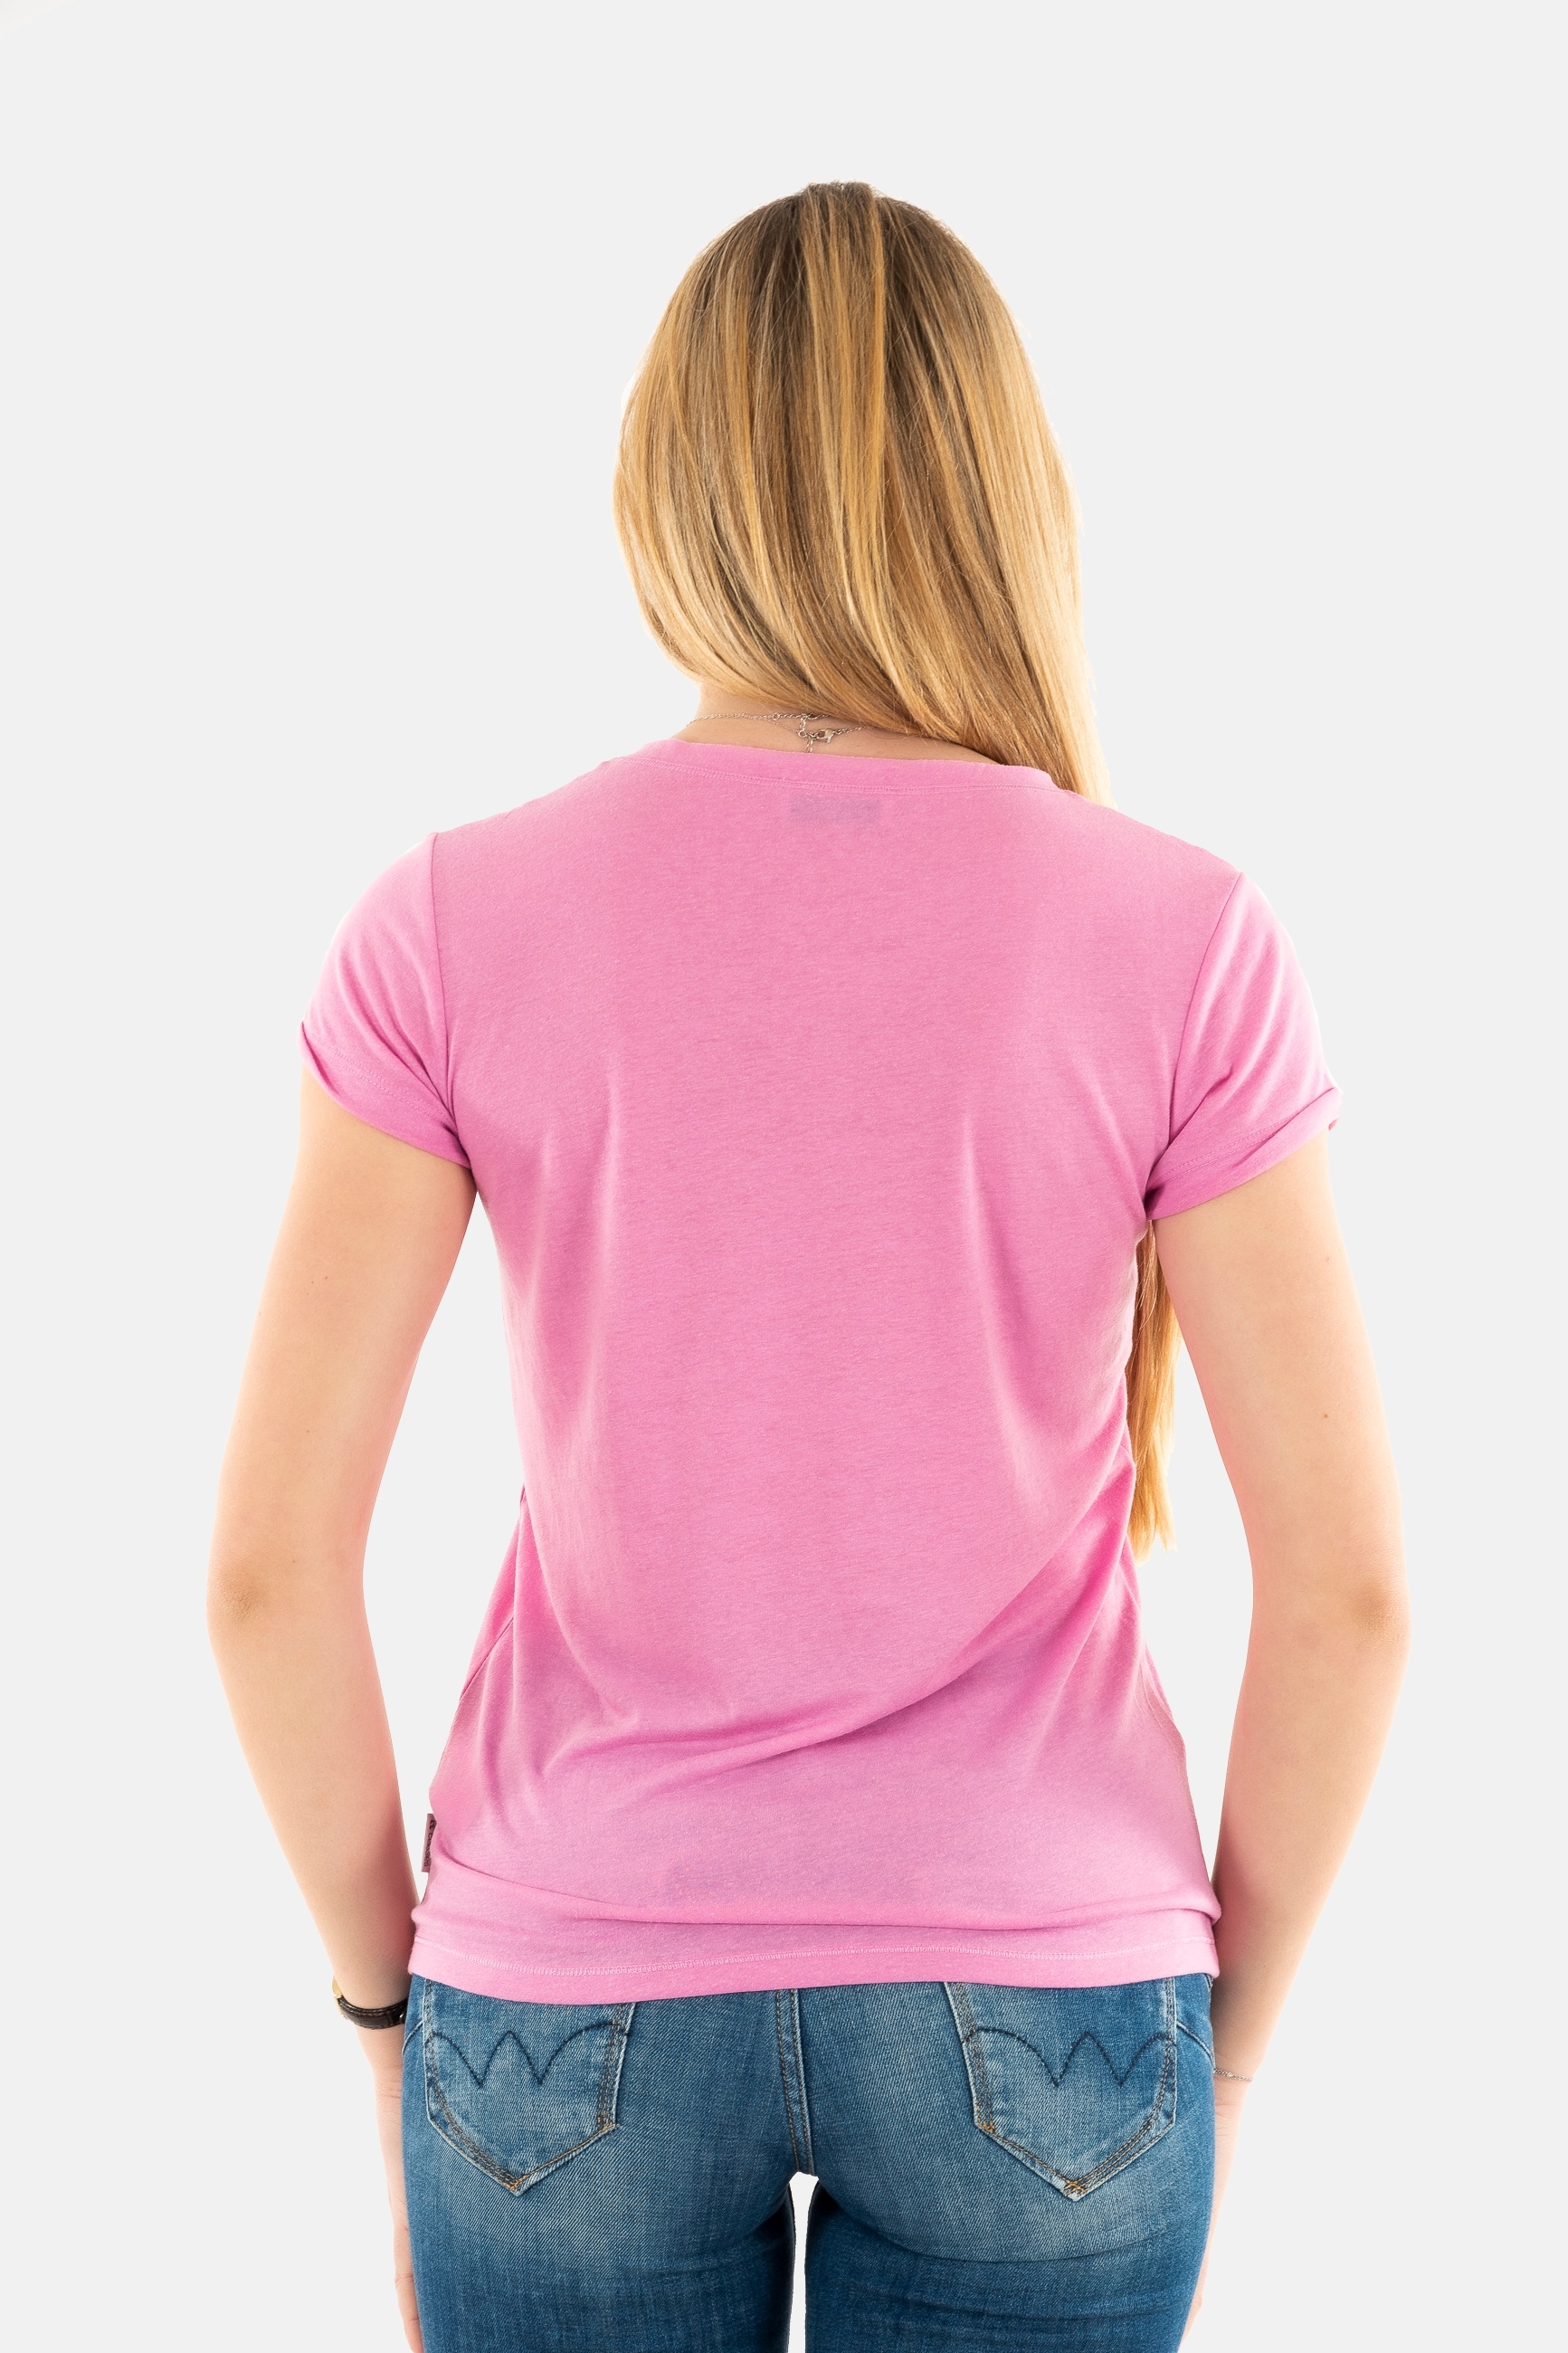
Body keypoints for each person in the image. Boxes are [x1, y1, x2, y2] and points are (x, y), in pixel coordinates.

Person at [208, 182, 1409, 2353]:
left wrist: (392, 2021)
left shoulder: (453, 919)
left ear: (666, 484)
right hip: (1049, 1991)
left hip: (565, 1984)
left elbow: (267, 1575)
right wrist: (1214, 2060)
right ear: (1002, 483)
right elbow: (1351, 1593)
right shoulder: (1183, 935)